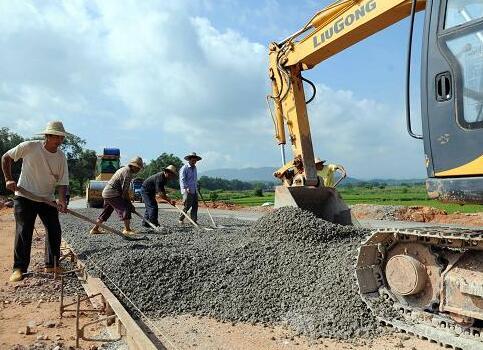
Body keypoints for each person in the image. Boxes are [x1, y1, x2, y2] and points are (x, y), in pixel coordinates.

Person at [1, 121, 70, 282]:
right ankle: (19, 268)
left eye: (61, 138)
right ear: (47, 136)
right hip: (24, 196)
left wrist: (61, 200)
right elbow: (6, 158)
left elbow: (63, 182)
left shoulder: (61, 157)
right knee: (24, 231)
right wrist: (8, 179)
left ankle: (52, 264)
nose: (59, 141)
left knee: (54, 229)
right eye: (56, 137)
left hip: (47, 199)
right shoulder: (30, 147)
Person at [89, 156, 143, 235]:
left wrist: (130, 203)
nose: (138, 170)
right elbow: (124, 192)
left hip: (107, 193)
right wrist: (130, 204)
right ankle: (127, 229)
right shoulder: (127, 173)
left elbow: (124, 191)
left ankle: (95, 229)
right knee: (125, 209)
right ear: (133, 166)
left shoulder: (123, 169)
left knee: (106, 212)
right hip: (112, 193)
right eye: (138, 168)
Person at [178, 152, 201, 224]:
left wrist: (197, 185)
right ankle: (181, 219)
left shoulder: (195, 168)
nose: (194, 162)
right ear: (189, 160)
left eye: (195, 160)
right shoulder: (184, 168)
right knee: (187, 206)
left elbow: (194, 179)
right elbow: (182, 179)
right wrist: (186, 188)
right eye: (193, 160)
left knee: (195, 206)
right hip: (187, 190)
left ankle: (193, 220)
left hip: (194, 189)